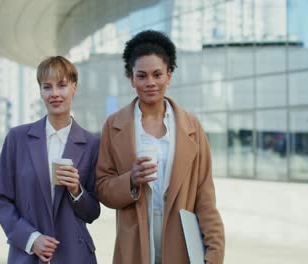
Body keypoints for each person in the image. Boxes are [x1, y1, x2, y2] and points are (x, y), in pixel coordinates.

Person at [95, 30, 225, 264]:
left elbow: (205, 196)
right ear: (131, 79)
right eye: (142, 76)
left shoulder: (192, 128)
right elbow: (102, 188)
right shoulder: (113, 126)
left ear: (169, 74)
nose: (150, 83)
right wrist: (131, 180)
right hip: (133, 248)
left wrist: (214, 253)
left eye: (157, 74)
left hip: (183, 249)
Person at [0, 56, 100, 263]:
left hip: (75, 256)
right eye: (47, 87)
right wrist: (31, 239)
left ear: (74, 88)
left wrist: (77, 191)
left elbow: (93, 212)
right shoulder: (17, 139)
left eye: (62, 85)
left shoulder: (91, 144)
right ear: (40, 91)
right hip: (28, 255)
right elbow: (2, 200)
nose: (55, 94)